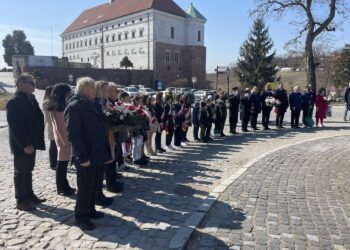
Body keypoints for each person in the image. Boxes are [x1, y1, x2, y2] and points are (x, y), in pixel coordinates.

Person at [65, 77, 112, 230]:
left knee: (93, 185)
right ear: (84, 89)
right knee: (84, 188)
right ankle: (81, 217)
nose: (95, 91)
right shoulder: (75, 106)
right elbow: (73, 135)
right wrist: (82, 157)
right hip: (86, 155)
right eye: (92, 88)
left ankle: (90, 210)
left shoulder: (92, 103)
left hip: (97, 152)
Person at [6, 74, 46, 211]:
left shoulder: (31, 97)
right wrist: (25, 144)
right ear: (21, 84)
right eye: (31, 83)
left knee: (28, 170)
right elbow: (16, 126)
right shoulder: (14, 101)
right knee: (20, 172)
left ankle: (29, 195)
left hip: (32, 142)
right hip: (22, 145)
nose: (34, 86)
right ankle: (21, 200)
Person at [47, 83, 76, 196]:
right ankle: (62, 187)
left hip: (60, 137)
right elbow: (60, 126)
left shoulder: (56, 106)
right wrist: (66, 142)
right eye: (69, 91)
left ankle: (64, 186)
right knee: (62, 163)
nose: (71, 93)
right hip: (63, 138)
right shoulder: (58, 108)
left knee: (62, 163)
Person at [94, 80, 114, 206]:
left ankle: (100, 193)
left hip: (106, 137)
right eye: (105, 90)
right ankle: (97, 195)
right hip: (98, 140)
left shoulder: (104, 102)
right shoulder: (96, 103)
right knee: (98, 171)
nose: (107, 92)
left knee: (102, 169)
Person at [42, 86, 57, 170]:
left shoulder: (48, 101)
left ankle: (55, 162)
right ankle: (53, 163)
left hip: (52, 124)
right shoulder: (47, 102)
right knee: (53, 144)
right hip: (52, 125)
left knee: (55, 144)